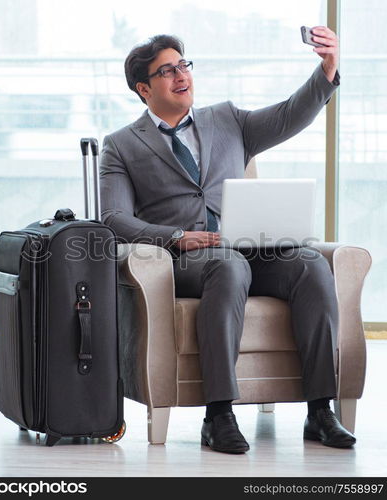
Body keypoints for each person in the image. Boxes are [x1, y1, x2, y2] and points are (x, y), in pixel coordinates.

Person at [100, 29, 357, 454]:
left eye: (183, 65)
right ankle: (218, 414)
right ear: (144, 89)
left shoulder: (227, 119)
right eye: (167, 71)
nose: (180, 75)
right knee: (228, 265)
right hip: (188, 261)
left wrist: (326, 69)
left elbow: (289, 114)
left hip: (249, 247)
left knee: (311, 263)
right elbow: (113, 218)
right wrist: (177, 237)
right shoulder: (122, 146)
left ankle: (320, 410)